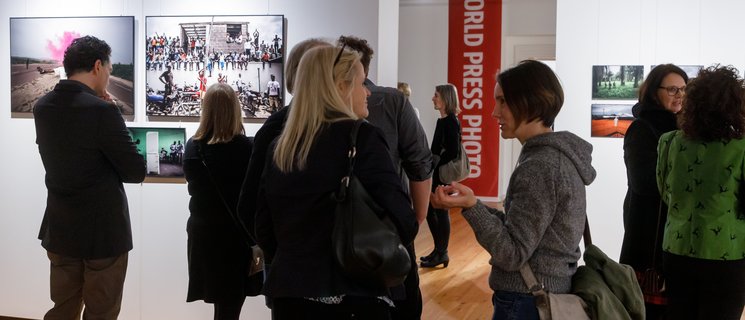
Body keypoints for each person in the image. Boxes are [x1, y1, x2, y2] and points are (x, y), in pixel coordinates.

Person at [254, 45, 418, 319]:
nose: (367, 92)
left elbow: (262, 226)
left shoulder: (280, 147)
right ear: (341, 87)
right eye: (361, 83)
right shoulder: (362, 138)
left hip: (290, 297)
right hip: (353, 295)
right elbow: (404, 219)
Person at [431, 60, 596, 320]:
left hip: (528, 301)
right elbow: (519, 230)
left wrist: (473, 208)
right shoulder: (551, 158)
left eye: (503, 101)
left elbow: (512, 253)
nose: (495, 112)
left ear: (530, 103)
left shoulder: (541, 166)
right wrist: (471, 202)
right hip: (538, 296)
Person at [33, 35, 146, 320]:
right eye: (109, 68)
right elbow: (135, 171)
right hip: (102, 234)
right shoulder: (103, 111)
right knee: (101, 313)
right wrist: (114, 113)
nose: (109, 75)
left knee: (63, 309)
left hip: (60, 228)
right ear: (97, 66)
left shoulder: (42, 107)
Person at [339, 35, 433, 320]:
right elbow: (419, 162)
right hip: (387, 224)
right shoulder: (392, 101)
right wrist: (416, 217)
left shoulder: (307, 114)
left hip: (339, 230)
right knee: (400, 300)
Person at [656, 65, 745, 320]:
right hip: (726, 254)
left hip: (676, 251)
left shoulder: (669, 142)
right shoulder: (741, 148)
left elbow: (665, 191)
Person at [237, 37, 332, 252]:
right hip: (292, 266)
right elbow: (249, 205)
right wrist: (278, 253)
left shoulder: (340, 128)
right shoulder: (276, 127)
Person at [183, 83, 261, 320]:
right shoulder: (248, 148)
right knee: (230, 307)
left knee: (221, 304)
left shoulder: (193, 148)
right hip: (236, 237)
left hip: (204, 234)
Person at [620, 63, 688, 319]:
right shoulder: (642, 128)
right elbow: (644, 181)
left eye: (683, 89)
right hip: (648, 233)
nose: (679, 95)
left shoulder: (685, 129)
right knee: (645, 309)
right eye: (672, 89)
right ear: (653, 92)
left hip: (675, 234)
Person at [421, 84, 462, 269]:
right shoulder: (444, 121)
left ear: (445, 98)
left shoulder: (451, 121)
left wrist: (435, 162)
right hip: (437, 172)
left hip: (440, 174)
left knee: (439, 210)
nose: (433, 98)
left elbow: (453, 151)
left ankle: (441, 251)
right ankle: (439, 251)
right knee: (433, 210)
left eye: (436, 95)